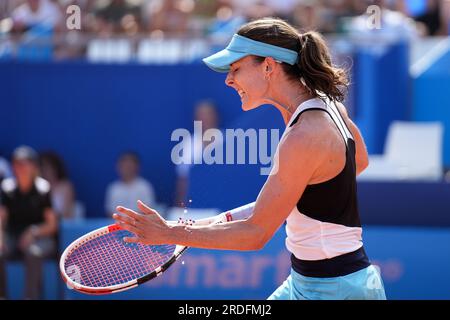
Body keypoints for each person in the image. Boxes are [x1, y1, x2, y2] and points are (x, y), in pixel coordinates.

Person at [113, 17, 387, 300]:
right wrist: (287, 201)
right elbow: (358, 162)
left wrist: (171, 234)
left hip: (336, 292)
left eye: (236, 68)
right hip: (313, 283)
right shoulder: (329, 107)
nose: (229, 80)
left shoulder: (304, 136)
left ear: (269, 66)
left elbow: (255, 233)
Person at [0, 146, 58, 299]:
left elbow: (52, 225)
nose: (20, 168)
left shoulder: (43, 189)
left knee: (33, 253)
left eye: (25, 163)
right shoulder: (7, 189)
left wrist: (33, 232)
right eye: (17, 164)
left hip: (40, 238)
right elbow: (2, 219)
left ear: (34, 167)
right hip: (13, 237)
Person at [174, 100, 220, 207]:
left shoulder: (228, 141)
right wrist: (181, 205)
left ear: (215, 117)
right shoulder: (188, 143)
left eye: (208, 115)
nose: (204, 120)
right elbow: (183, 178)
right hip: (196, 201)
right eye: (201, 116)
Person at [105, 152, 156, 217]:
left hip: (139, 225)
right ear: (118, 167)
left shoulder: (144, 186)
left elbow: (148, 210)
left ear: (136, 167)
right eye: (123, 166)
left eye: (129, 166)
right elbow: (109, 211)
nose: (126, 169)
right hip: (117, 224)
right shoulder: (113, 187)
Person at [39, 151, 77, 220]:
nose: (45, 171)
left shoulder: (66, 186)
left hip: (63, 226)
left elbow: (67, 212)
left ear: (56, 168)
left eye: (49, 167)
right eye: (43, 168)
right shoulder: (37, 187)